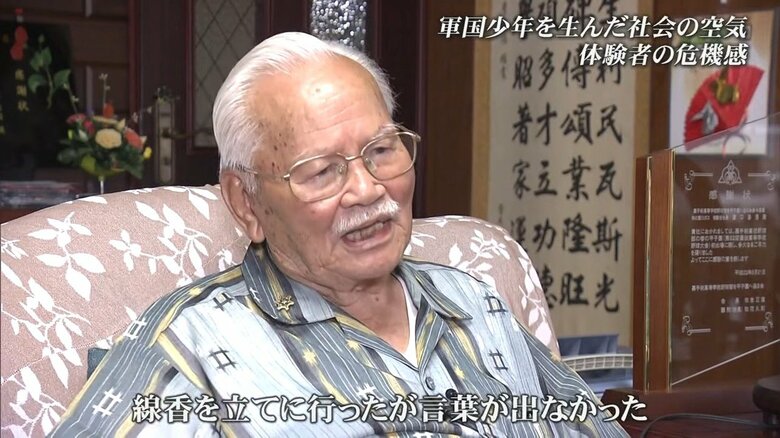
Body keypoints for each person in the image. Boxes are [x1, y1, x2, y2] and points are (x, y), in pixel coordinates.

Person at [50, 32, 627, 437]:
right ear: (246, 202)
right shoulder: (190, 347)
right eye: (322, 171)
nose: (368, 189)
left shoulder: (474, 301)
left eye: (382, 150)